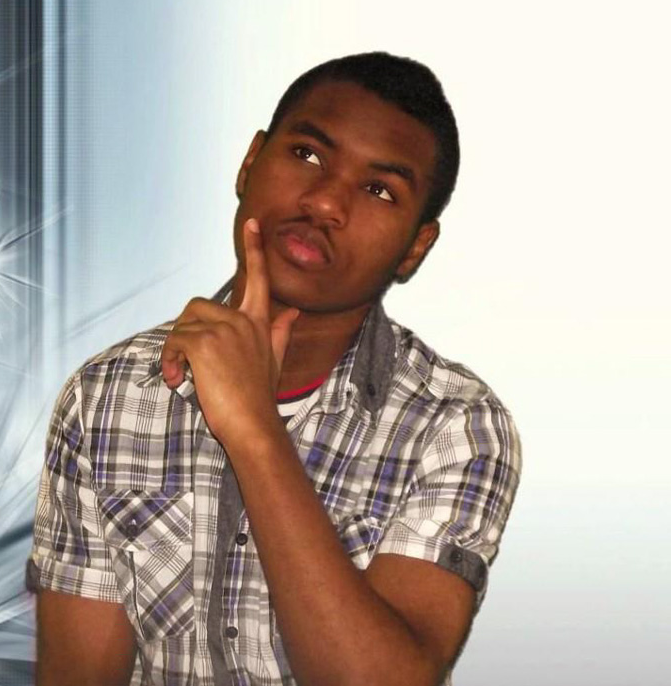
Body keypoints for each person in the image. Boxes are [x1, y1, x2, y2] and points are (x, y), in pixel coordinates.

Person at [27, 52, 521, 686]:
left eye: (379, 190)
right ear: (250, 162)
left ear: (416, 246)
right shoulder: (106, 395)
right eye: (308, 155)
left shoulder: (457, 425)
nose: (325, 201)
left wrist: (255, 429)